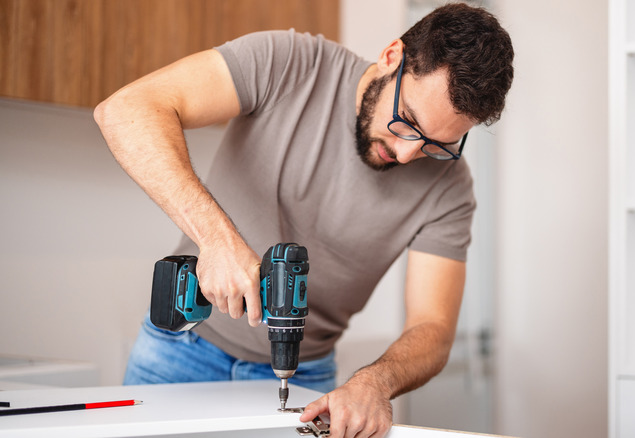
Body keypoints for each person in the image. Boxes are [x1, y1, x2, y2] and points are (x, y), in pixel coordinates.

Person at [94, 3, 513, 437]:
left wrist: (375, 383)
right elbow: (126, 109)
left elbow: (433, 328)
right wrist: (216, 240)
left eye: (436, 143)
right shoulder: (290, 63)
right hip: (180, 351)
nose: (408, 154)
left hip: (305, 380)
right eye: (407, 121)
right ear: (392, 56)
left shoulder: (450, 186)